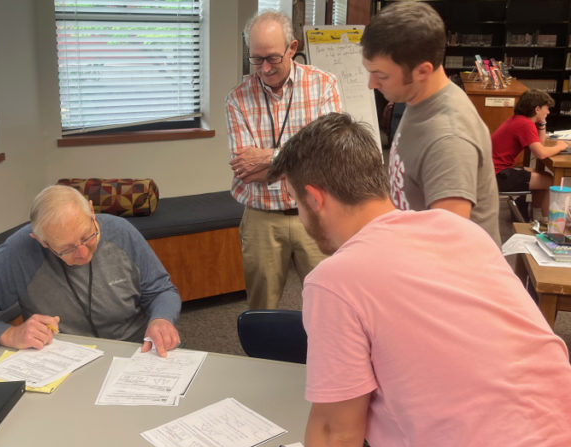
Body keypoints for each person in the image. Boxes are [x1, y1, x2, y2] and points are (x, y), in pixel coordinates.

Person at [247, 113, 571, 447]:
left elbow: (337, 431)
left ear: (314, 198)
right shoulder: (462, 231)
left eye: (297, 202)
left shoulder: (336, 280)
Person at [0, 185, 181, 357]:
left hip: (138, 350)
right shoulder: (18, 253)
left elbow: (161, 290)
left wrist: (161, 319)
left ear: (93, 213)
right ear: (42, 241)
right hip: (66, 362)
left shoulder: (121, 232)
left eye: (88, 236)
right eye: (67, 249)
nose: (83, 253)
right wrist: (10, 334)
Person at [225, 10, 341, 309]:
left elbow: (328, 156)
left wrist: (269, 157)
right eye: (256, 59)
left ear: (292, 48)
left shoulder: (323, 85)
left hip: (316, 213)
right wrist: (302, 158)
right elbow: (246, 170)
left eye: (273, 58)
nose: (264, 68)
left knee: (329, 303)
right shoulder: (237, 98)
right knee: (261, 309)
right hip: (261, 218)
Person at [361, 2, 501, 245]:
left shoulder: (449, 140)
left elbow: (447, 247)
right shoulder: (417, 100)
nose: (371, 84)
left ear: (422, 71)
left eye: (381, 75)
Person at [492, 89, 569, 221]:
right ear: (537, 109)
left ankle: (536, 217)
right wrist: (560, 146)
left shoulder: (518, 120)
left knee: (543, 175)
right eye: (547, 109)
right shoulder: (525, 124)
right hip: (498, 176)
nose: (548, 112)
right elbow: (541, 153)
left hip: (493, 171)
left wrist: (542, 123)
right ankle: (546, 222)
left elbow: (540, 144)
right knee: (551, 181)